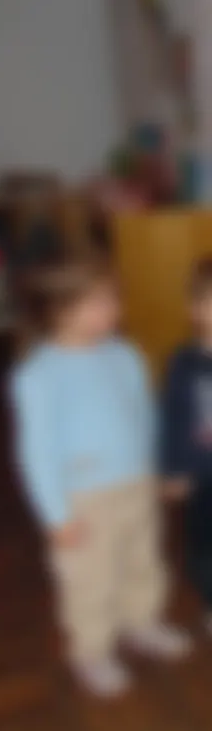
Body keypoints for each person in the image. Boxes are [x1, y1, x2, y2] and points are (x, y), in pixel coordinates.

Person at [13, 256, 190, 697]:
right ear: (62, 308)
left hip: (135, 484)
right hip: (82, 497)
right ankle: (91, 651)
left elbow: (145, 415)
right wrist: (57, 516)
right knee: (89, 576)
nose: (113, 310)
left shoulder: (123, 355)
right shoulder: (42, 374)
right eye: (100, 302)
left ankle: (142, 622)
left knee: (143, 560)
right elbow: (38, 452)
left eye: (113, 300)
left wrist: (160, 468)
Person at [164, 258, 212, 637]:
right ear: (195, 307)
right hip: (200, 479)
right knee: (201, 547)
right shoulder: (185, 362)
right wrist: (175, 470)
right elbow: (174, 420)